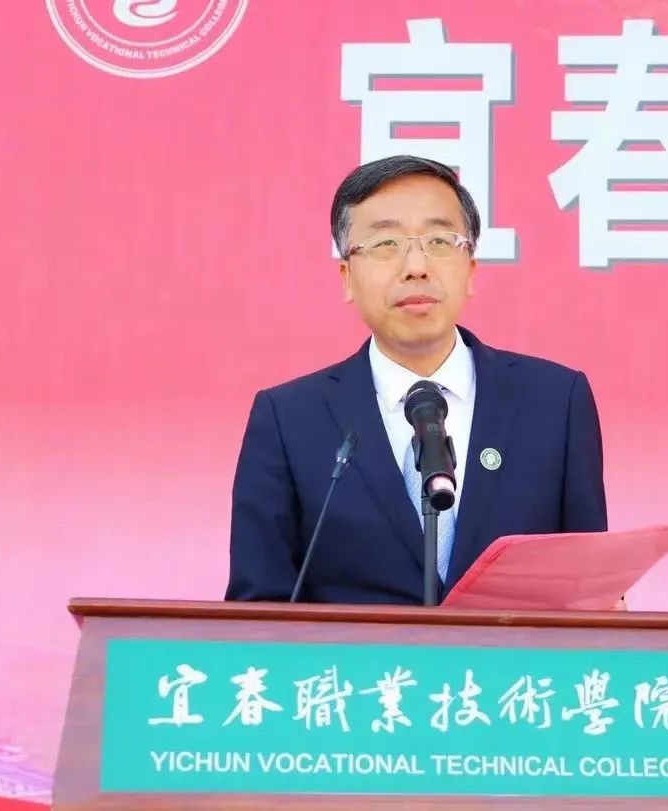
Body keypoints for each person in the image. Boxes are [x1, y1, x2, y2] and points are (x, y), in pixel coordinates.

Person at [226, 155, 607, 605]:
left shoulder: (556, 404)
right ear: (346, 276)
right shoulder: (288, 420)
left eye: (439, 241)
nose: (416, 266)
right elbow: (257, 613)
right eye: (386, 244)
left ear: (471, 268)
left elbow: (591, 597)